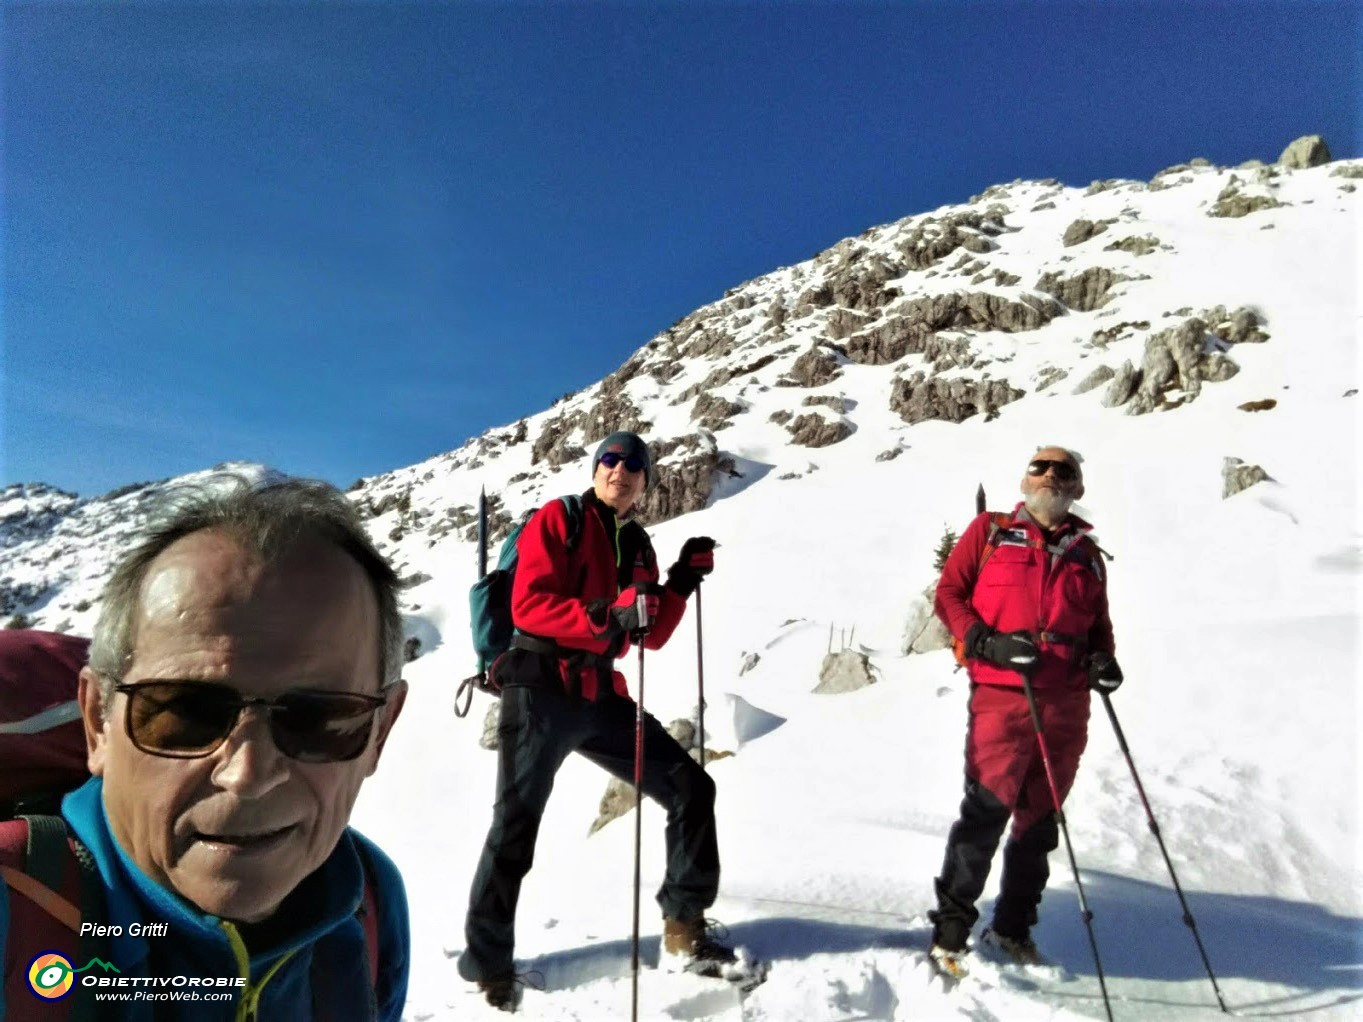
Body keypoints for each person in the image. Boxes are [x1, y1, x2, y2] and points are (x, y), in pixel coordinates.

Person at [0, 477, 411, 1020]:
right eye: (184, 712)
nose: (247, 773)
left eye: (318, 718)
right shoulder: (14, 909)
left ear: (378, 734)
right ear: (98, 720)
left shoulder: (367, 904)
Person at [458, 430, 737, 1011]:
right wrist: (602, 613)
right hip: (537, 688)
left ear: (644, 481)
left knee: (691, 787)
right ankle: (487, 964)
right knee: (515, 828)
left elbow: (650, 635)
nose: (621, 468)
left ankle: (684, 926)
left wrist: (680, 581)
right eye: (610, 458)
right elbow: (527, 606)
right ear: (596, 469)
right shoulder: (559, 519)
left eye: (635, 463)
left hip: (598, 696)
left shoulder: (637, 546)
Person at [927, 446, 1123, 978]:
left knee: (1040, 822)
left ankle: (1014, 928)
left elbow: (1098, 626)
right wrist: (984, 642)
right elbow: (948, 594)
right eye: (1042, 465)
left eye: (1066, 471)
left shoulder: (1086, 554)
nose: (1052, 475)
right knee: (987, 812)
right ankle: (949, 934)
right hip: (1003, 697)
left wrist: (1105, 661)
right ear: (1025, 478)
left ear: (1078, 488)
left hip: (1066, 705)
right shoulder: (990, 532)